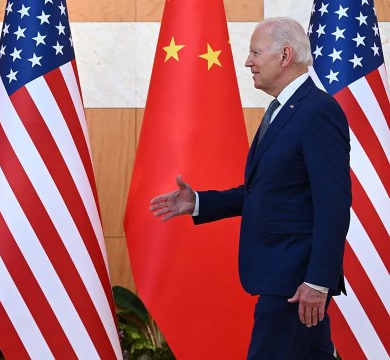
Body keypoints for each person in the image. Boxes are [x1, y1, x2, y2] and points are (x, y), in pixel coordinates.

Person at [149, 17, 351, 359]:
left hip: (294, 282)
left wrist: (317, 281)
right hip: (283, 278)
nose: (248, 62)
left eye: (255, 52)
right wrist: (197, 202)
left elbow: (333, 204)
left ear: (285, 55)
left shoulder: (317, 111)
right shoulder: (281, 110)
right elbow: (263, 191)